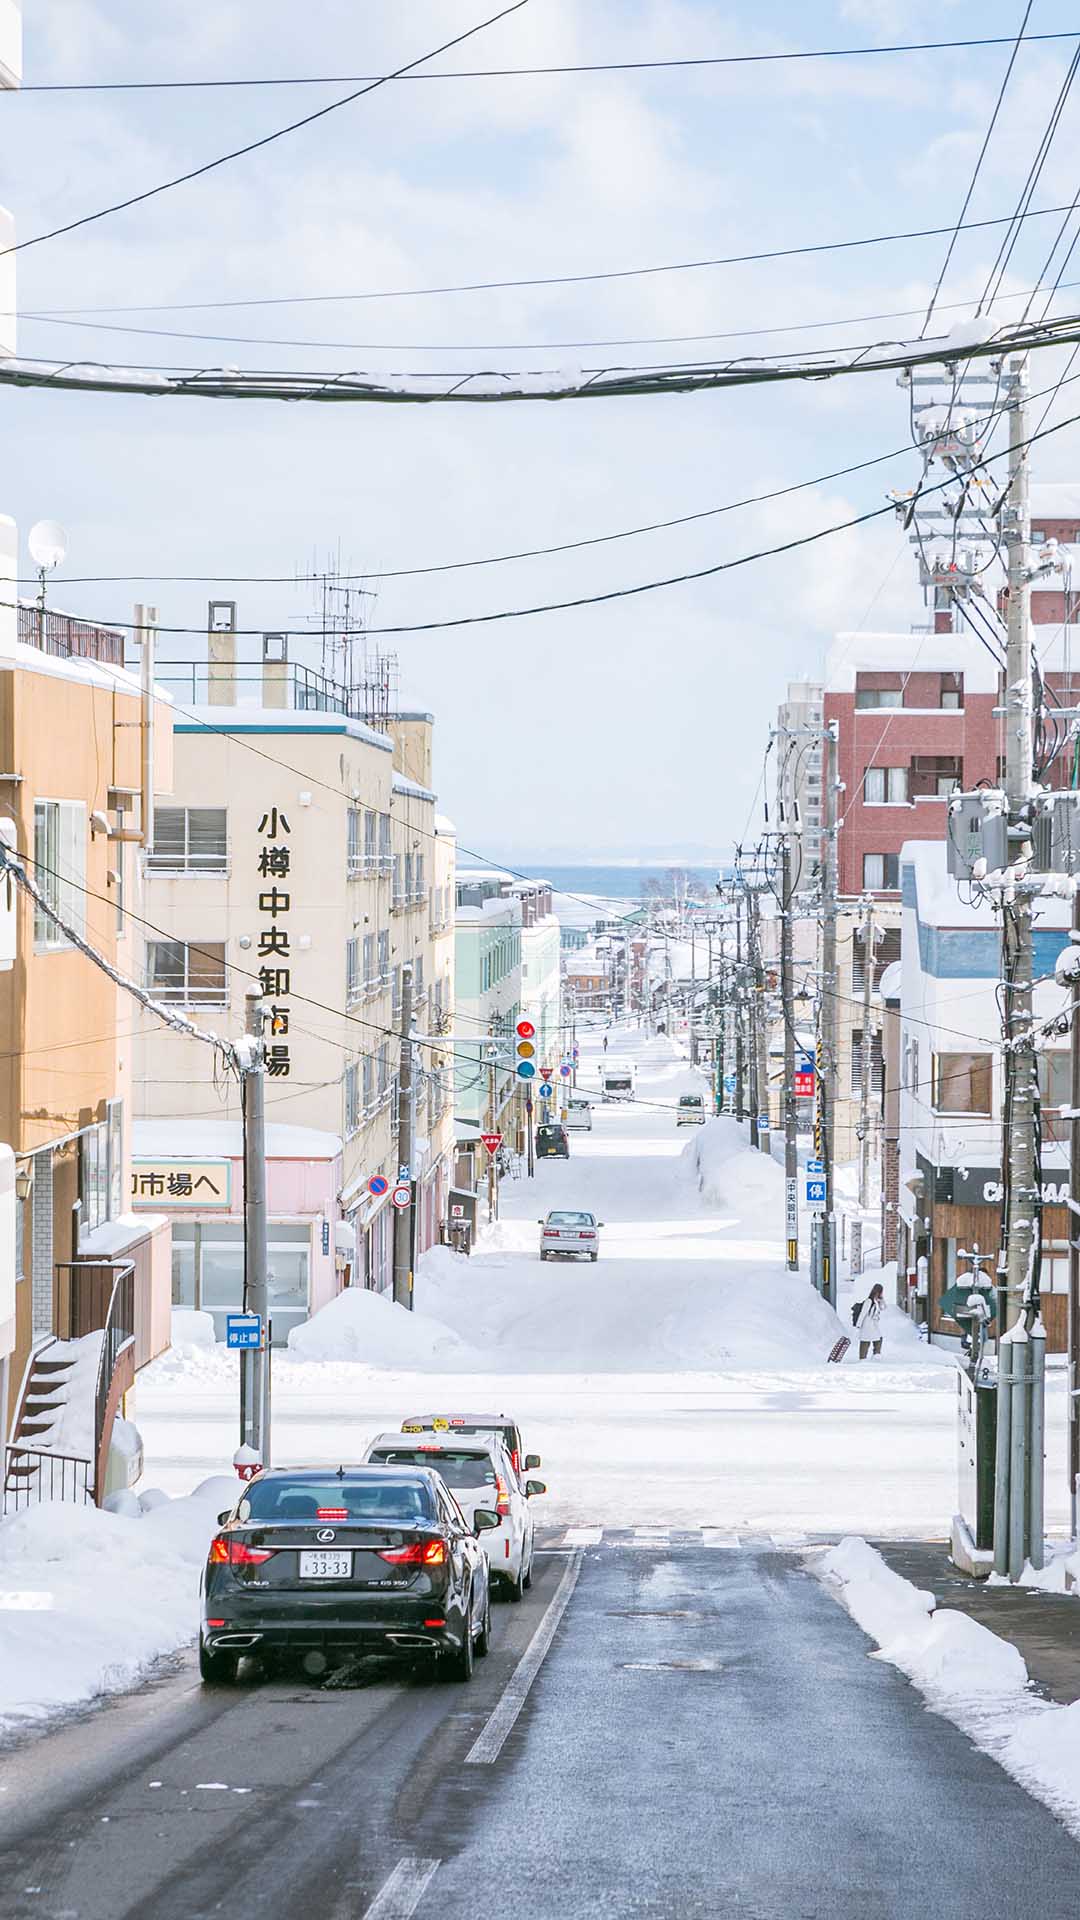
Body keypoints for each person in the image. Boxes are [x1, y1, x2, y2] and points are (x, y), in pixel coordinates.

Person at [855, 1282, 885, 1360]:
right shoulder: (869, 1301)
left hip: (873, 1325)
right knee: (866, 1341)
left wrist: (881, 1300)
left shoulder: (876, 1301)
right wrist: (858, 1325)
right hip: (867, 1324)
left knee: (877, 1339)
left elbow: (884, 1308)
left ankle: (876, 1355)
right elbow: (863, 1313)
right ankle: (863, 1358)